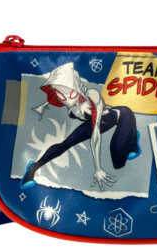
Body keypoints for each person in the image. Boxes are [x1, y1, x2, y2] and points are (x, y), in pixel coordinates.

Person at [21, 62, 140, 191]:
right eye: (60, 94)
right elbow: (53, 98)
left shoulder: (92, 96)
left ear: (76, 86)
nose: (66, 98)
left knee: (118, 160)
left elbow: (95, 134)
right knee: (66, 143)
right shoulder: (65, 101)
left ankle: (132, 137)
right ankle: (33, 168)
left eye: (69, 92)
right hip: (96, 123)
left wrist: (98, 169)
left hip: (122, 116)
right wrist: (42, 106)